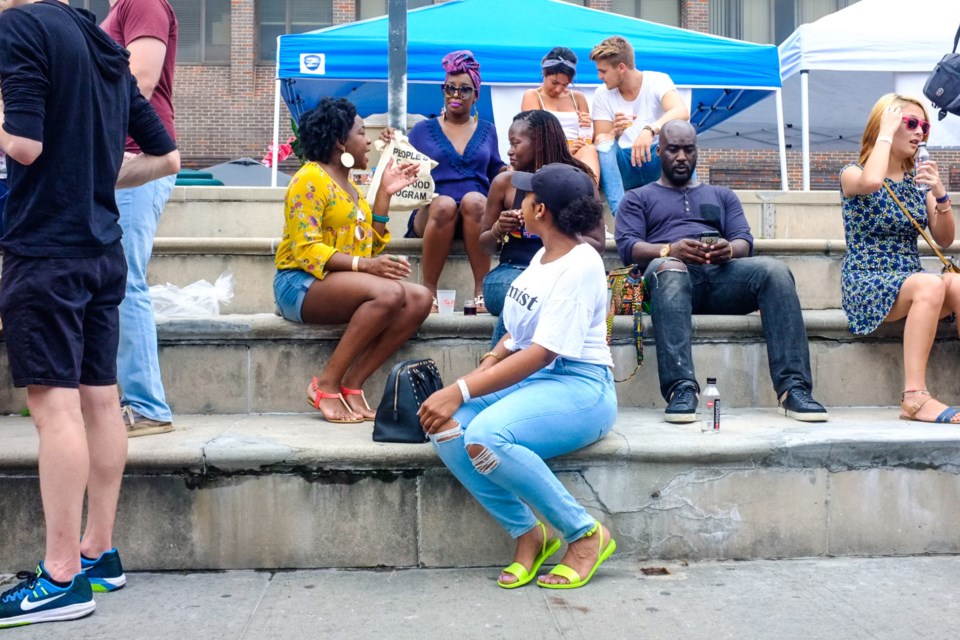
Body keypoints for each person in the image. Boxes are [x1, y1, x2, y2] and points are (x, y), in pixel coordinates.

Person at [0, 0, 179, 628]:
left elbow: (22, 144)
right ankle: (98, 553)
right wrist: (96, 182)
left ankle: (59, 579)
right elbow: (167, 157)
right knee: (100, 401)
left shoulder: (19, 28)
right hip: (102, 254)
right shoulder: (98, 40)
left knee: (55, 409)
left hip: (44, 251)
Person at [420, 163, 618, 590]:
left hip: (582, 386)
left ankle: (584, 534)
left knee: (487, 435)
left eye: (525, 196)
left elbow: (544, 351)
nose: (519, 201)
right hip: (540, 379)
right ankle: (529, 533)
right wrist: (492, 357)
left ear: (540, 209)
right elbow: (521, 333)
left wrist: (461, 388)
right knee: (446, 427)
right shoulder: (542, 256)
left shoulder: (581, 264)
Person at [615, 120, 828, 424]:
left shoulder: (722, 195)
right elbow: (628, 247)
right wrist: (669, 250)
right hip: (668, 282)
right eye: (673, 149)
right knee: (671, 270)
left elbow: (744, 240)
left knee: (775, 271)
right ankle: (681, 388)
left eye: (688, 150)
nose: (680, 157)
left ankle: (793, 389)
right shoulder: (638, 197)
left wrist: (729, 249)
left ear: (697, 152)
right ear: (658, 150)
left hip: (721, 278)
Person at [274, 97, 433, 424]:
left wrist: (384, 196)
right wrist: (366, 268)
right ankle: (325, 384)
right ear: (339, 141)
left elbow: (368, 249)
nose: (369, 141)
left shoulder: (352, 188)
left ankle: (352, 384)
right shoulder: (310, 179)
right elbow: (307, 250)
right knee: (390, 293)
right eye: (362, 133)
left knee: (419, 299)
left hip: (333, 282)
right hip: (298, 283)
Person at [840, 94, 960, 423]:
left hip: (912, 281)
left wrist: (940, 194)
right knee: (930, 285)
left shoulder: (914, 185)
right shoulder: (851, 174)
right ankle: (915, 396)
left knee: (957, 284)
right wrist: (885, 131)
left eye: (924, 126)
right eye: (910, 123)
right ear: (886, 124)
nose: (919, 132)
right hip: (867, 281)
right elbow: (873, 182)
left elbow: (945, 240)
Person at [100, 0, 179, 438]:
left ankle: (147, 405)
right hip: (124, 154)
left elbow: (140, 83)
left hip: (135, 155)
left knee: (125, 278)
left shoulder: (142, 0)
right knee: (118, 277)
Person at [382, 50, 506, 313]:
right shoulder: (422, 130)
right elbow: (405, 165)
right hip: (432, 214)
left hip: (476, 215)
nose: (455, 95)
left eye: (464, 90)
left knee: (474, 200)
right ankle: (429, 289)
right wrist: (391, 145)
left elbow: (497, 171)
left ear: (476, 95)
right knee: (445, 203)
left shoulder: (488, 131)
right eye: (449, 88)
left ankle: (482, 288)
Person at [478, 110, 605, 347]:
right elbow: (485, 246)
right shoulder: (505, 182)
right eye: (509, 143)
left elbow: (597, 244)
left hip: (562, 276)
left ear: (539, 143)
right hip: (510, 273)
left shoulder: (578, 182)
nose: (509, 151)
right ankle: (499, 371)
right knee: (522, 293)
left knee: (539, 294)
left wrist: (554, 230)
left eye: (516, 143)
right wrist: (498, 229)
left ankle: (502, 371)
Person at [590, 36, 689, 215]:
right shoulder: (601, 94)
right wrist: (615, 133)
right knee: (603, 144)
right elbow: (601, 140)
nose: (599, 77)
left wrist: (650, 130)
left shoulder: (657, 80)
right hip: (626, 165)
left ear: (621, 68)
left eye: (603, 71)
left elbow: (681, 111)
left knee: (683, 137)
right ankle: (621, 215)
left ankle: (690, 210)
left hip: (657, 158)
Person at [520, 47, 600, 182]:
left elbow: (589, 137)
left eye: (565, 84)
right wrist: (564, 149)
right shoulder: (533, 96)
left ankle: (592, 197)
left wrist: (588, 126)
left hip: (577, 151)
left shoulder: (578, 97)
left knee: (590, 149)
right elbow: (533, 134)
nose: (558, 89)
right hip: (547, 152)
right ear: (545, 73)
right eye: (555, 82)